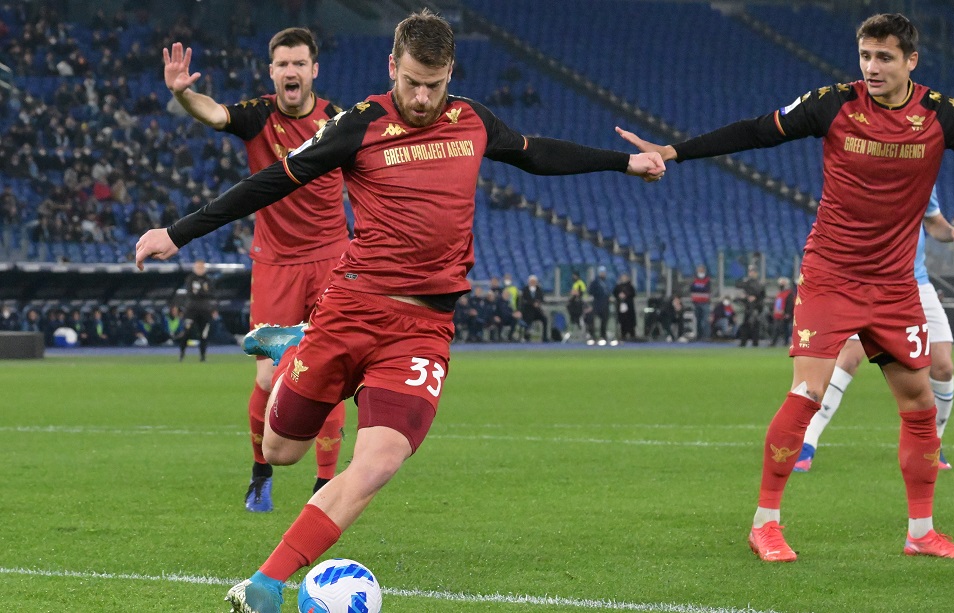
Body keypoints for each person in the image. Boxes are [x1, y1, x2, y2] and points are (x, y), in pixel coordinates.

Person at [135, 10, 664, 612]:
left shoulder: (472, 120)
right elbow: (273, 181)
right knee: (282, 451)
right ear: (392, 66)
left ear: (450, 75)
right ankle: (294, 347)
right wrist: (179, 233)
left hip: (423, 328)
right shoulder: (357, 124)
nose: (421, 97)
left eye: (433, 85)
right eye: (411, 81)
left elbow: (535, 151)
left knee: (378, 462)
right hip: (351, 311)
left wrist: (625, 161)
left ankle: (267, 582)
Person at [618, 13, 954, 561]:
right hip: (832, 276)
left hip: (895, 283)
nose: (871, 67)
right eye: (865, 56)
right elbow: (754, 131)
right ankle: (764, 523)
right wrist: (674, 152)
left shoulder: (943, 115)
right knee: (807, 393)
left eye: (885, 57)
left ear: (911, 61)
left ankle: (921, 533)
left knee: (918, 403)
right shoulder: (833, 103)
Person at [163, 28, 351, 512]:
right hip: (275, 264)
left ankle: (323, 484)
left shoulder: (337, 121)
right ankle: (260, 472)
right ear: (272, 72)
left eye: (299, 63)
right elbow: (214, 112)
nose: (291, 72)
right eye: (283, 64)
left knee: (325, 374)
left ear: (314, 70)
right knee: (268, 381)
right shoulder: (258, 115)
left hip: (332, 260)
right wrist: (184, 93)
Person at [795, 187, 954, 472]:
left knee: (943, 368)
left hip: (915, 283)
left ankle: (932, 446)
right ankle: (807, 443)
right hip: (866, 281)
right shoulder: (864, 167)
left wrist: (953, 232)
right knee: (849, 357)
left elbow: (933, 221)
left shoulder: (922, 165)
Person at [177, 259, 214, 362]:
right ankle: (182, 354)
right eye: (198, 267)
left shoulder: (208, 279)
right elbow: (191, 293)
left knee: (204, 335)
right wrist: (203, 292)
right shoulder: (190, 279)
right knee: (186, 332)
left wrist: (199, 292)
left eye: (202, 267)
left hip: (205, 311)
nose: (200, 269)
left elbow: (211, 293)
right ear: (194, 268)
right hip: (191, 310)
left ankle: (203, 357)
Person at [519, 274, 549, 342]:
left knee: (545, 319)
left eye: (534, 281)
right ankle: (527, 336)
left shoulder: (539, 289)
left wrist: (538, 303)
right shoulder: (525, 289)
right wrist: (533, 303)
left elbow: (541, 298)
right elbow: (524, 300)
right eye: (531, 281)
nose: (533, 283)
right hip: (528, 311)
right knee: (528, 320)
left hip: (537, 311)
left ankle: (545, 337)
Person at [588, 265, 611, 342]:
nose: (603, 274)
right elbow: (590, 291)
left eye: (604, 272)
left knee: (604, 320)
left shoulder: (607, 282)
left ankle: (603, 335)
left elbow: (608, 292)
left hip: (605, 303)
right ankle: (592, 335)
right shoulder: (595, 282)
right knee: (592, 319)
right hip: (597, 303)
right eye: (601, 272)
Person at [769, 277, 794, 347]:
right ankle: (776, 342)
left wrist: (788, 313)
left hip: (783, 314)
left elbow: (790, 304)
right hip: (777, 314)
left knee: (783, 329)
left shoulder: (788, 293)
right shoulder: (780, 293)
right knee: (778, 328)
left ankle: (780, 342)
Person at [689, 264, 712, 340]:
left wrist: (698, 287)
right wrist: (700, 287)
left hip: (705, 303)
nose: (700, 272)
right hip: (696, 302)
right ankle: (699, 336)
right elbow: (692, 289)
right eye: (699, 271)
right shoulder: (694, 280)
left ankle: (706, 336)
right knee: (698, 320)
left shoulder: (707, 280)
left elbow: (706, 289)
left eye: (701, 271)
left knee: (705, 320)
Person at [613, 272, 637, 340]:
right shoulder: (618, 287)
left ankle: (632, 335)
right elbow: (615, 293)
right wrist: (619, 296)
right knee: (622, 322)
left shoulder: (630, 286)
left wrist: (626, 295)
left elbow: (633, 294)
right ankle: (623, 335)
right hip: (621, 307)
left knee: (630, 322)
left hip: (629, 307)